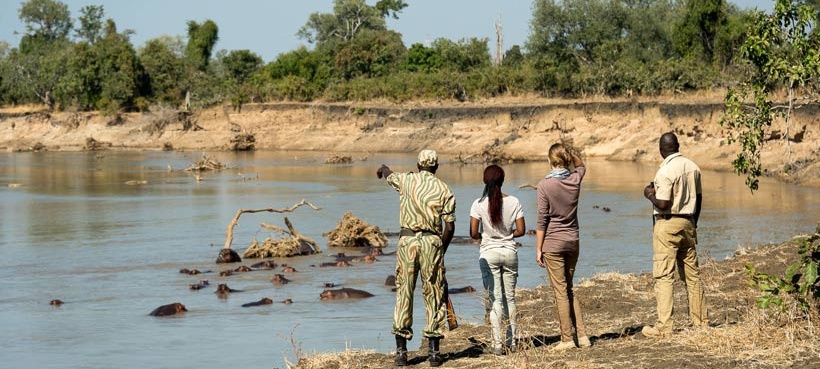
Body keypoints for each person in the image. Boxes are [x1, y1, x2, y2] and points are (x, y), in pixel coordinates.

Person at [377, 149, 456, 367]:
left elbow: (389, 175)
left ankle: (402, 352)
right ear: (436, 167)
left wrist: (383, 168)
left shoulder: (407, 180)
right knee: (433, 292)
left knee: (404, 292)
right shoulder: (443, 188)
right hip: (432, 242)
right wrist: (441, 248)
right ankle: (433, 353)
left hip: (408, 242)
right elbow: (449, 226)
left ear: (418, 165)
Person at [642, 132, 708, 337]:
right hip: (688, 222)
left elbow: (663, 204)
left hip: (667, 224)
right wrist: (693, 222)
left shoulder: (664, 172)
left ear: (661, 150)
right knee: (692, 275)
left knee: (664, 276)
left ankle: (664, 326)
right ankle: (701, 322)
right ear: (678, 146)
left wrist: (649, 194)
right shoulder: (692, 166)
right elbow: (698, 198)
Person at [535, 143, 591, 351]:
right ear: (566, 159)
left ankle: (567, 339)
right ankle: (583, 336)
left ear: (550, 161)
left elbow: (542, 220)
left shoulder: (544, 185)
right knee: (569, 288)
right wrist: (571, 153)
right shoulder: (574, 180)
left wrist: (538, 248)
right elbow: (581, 165)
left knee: (560, 292)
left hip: (553, 242)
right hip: (572, 241)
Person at [469, 164, 526, 355]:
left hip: (488, 254)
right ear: (502, 181)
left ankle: (497, 344)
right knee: (510, 298)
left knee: (495, 300)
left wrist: (487, 235)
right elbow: (521, 230)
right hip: (510, 252)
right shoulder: (515, 201)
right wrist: (507, 234)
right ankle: (511, 341)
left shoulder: (478, 203)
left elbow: (473, 233)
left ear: (485, 181)